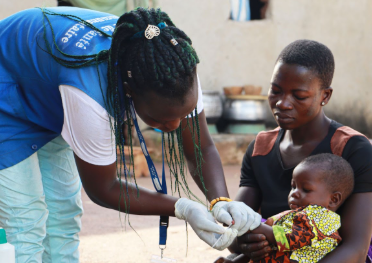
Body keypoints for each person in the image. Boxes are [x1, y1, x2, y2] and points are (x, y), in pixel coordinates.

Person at [0, 7, 261, 262]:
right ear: (128, 90)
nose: (174, 126)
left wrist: (220, 200)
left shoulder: (176, 69)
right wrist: (183, 207)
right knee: (26, 222)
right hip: (6, 87)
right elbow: (104, 188)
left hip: (45, 88)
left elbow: (202, 148)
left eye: (184, 114)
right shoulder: (91, 92)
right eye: (161, 119)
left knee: (63, 214)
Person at [216, 39, 372, 263]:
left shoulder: (354, 148)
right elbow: (234, 233)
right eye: (275, 91)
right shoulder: (260, 148)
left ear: (324, 96)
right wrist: (251, 245)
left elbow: (356, 248)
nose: (282, 103)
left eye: (299, 96)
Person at [216, 153, 354, 263]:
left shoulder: (323, 220)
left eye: (305, 189)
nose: (295, 193)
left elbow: (286, 239)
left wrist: (254, 225)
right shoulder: (295, 214)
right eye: (293, 186)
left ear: (333, 199)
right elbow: (268, 247)